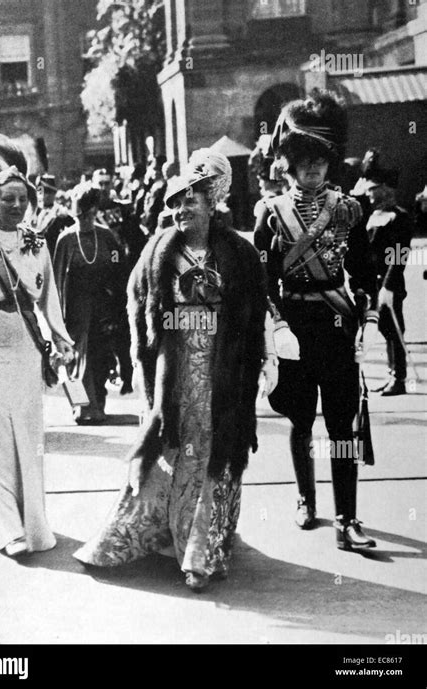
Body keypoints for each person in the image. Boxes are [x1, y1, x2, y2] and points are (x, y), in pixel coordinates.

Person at [74, 149, 279, 590]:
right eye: (176, 202)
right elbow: (135, 301)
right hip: (175, 365)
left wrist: (269, 357)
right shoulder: (158, 250)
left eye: (191, 200)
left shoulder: (239, 253)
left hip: (224, 368)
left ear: (211, 203)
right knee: (169, 446)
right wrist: (139, 356)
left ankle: (200, 551)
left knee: (213, 451)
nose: (182, 209)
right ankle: (152, 534)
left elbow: (257, 308)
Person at [255, 91, 379, 551]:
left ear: (331, 163)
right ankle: (306, 500)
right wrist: (275, 325)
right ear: (287, 163)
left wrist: (365, 311)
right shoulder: (270, 215)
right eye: (303, 160)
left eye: (320, 161)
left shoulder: (349, 210)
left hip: (336, 324)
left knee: (343, 423)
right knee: (302, 419)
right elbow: (264, 279)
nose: (312, 169)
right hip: (293, 327)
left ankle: (347, 516)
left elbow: (364, 270)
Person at [0, 135, 74, 556]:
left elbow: (49, 300)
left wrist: (61, 340)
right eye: (7, 199)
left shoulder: (36, 243)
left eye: (22, 199)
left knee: (26, 435)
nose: (16, 206)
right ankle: (6, 527)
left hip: (24, 353)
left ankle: (32, 523)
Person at [53, 182, 133, 425]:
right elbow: (56, 281)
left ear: (95, 211)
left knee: (100, 359)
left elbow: (121, 269)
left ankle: (98, 402)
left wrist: (119, 304)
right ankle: (82, 408)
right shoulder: (65, 240)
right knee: (77, 361)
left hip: (103, 308)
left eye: (88, 215)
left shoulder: (107, 237)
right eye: (79, 216)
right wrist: (56, 319)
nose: (84, 220)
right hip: (76, 309)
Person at [363, 155, 413, 396]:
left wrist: (388, 287)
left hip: (389, 284)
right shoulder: (373, 216)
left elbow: (399, 255)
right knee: (385, 328)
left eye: (373, 190)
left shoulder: (399, 217)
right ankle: (391, 373)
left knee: (394, 329)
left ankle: (399, 378)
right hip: (374, 283)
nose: (370, 195)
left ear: (384, 190)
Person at [31, 174, 75, 257]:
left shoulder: (61, 213)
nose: (45, 195)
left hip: (51, 254)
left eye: (49, 191)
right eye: (40, 190)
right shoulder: (34, 211)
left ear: (54, 193)